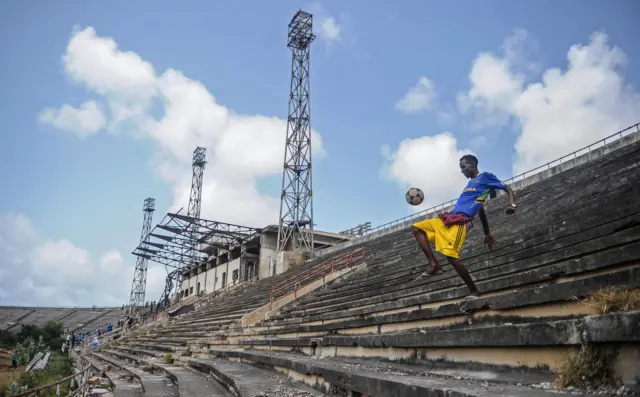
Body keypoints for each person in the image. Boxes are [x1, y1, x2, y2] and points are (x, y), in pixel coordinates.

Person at [412, 154, 517, 298]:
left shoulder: (485, 177)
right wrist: (487, 233)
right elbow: (480, 210)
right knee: (417, 228)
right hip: (448, 218)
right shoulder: (470, 186)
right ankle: (433, 265)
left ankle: (474, 291)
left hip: (462, 221)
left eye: (463, 167)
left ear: (472, 166)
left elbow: (508, 188)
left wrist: (512, 204)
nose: (462, 171)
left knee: (450, 255)